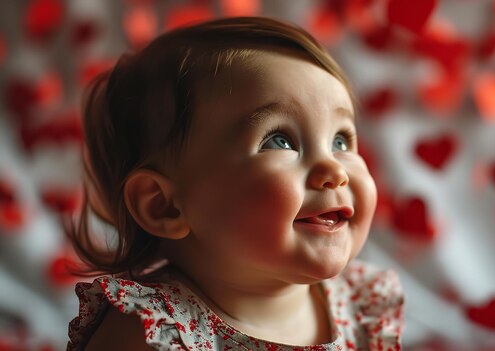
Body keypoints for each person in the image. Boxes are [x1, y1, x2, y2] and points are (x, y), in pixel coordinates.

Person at [66, 16, 404, 351]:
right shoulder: (157, 332)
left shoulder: (358, 304)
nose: (335, 170)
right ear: (164, 205)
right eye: (279, 141)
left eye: (341, 141)